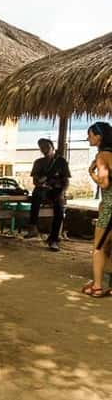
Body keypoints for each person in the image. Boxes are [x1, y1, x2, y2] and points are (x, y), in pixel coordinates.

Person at [23, 138, 70, 251]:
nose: (44, 150)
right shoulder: (38, 162)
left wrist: (61, 192)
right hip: (43, 190)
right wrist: (42, 184)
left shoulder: (61, 162)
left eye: (47, 147)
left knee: (59, 208)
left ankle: (53, 239)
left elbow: (66, 181)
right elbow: (35, 181)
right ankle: (33, 227)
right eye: (42, 147)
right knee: (36, 194)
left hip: (57, 190)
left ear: (52, 147)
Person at [82, 121, 112, 297]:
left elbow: (104, 182)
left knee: (99, 247)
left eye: (90, 135)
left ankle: (98, 286)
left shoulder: (102, 156)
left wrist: (91, 172)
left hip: (109, 208)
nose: (88, 138)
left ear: (99, 137)